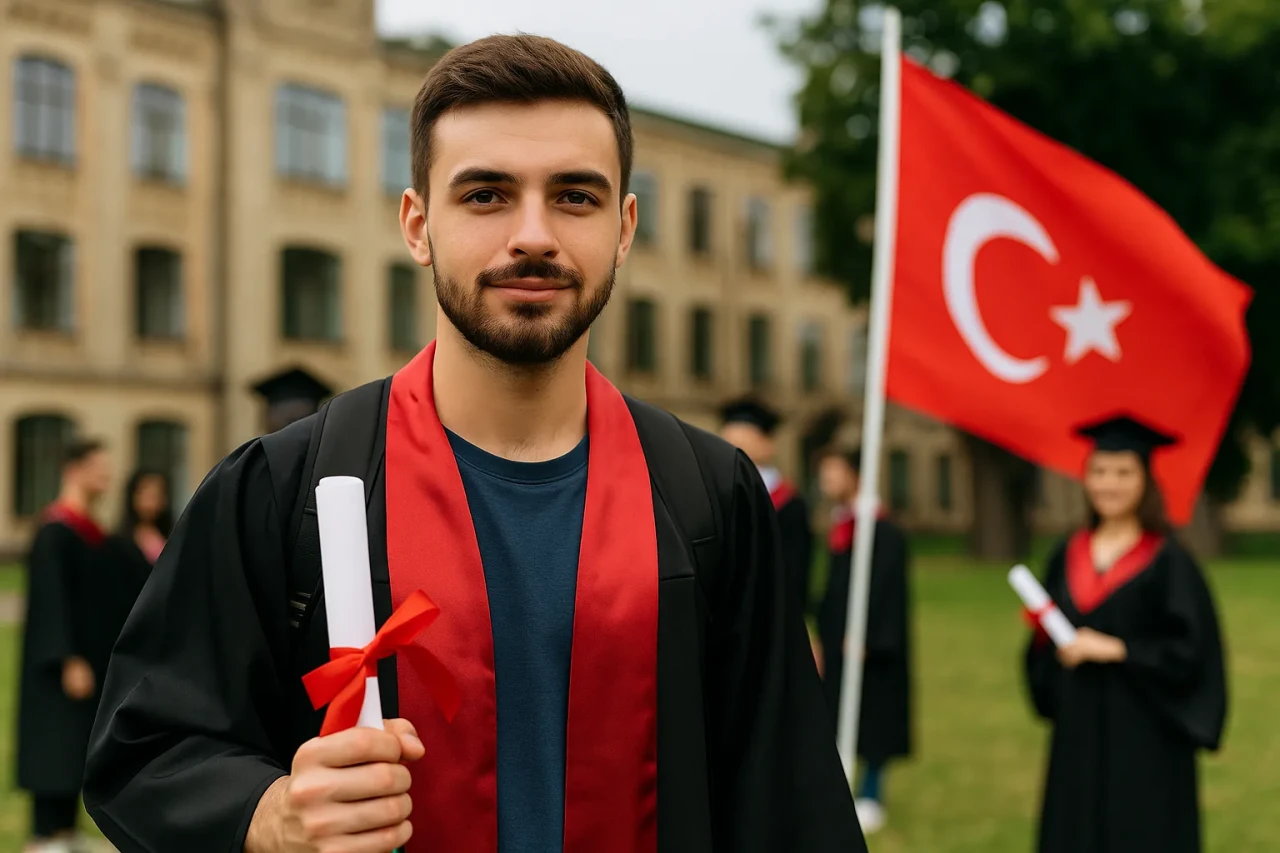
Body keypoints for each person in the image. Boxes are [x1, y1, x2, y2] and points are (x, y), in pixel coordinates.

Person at [84, 34, 865, 853]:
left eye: (575, 196)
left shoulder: (709, 498)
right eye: (486, 195)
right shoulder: (284, 490)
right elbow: (148, 749)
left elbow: (788, 805)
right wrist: (269, 813)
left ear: (625, 228)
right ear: (418, 225)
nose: (533, 235)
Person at [1023, 415, 1228, 853]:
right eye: (1099, 471)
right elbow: (1040, 657)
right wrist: (1046, 641)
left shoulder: (1168, 561)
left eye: (1123, 473)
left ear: (1145, 480)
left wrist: (1118, 649)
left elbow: (1192, 653)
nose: (1109, 484)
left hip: (1146, 734)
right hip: (1079, 729)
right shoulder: (1067, 553)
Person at [16, 439, 113, 853]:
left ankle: (65, 832)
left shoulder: (89, 531)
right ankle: (44, 835)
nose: (106, 475)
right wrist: (67, 658)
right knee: (53, 743)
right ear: (73, 470)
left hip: (88, 658)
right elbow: (50, 601)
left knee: (74, 744)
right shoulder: (54, 530)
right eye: (98, 467)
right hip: (60, 665)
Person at [814, 447, 912, 835]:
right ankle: (840, 789)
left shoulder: (881, 531)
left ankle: (871, 793)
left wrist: (870, 638)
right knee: (836, 713)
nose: (826, 482)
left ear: (855, 475)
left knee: (874, 717)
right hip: (838, 641)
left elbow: (888, 591)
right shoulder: (842, 524)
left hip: (871, 645)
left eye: (833, 473)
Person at [718, 396, 815, 614]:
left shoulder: (789, 505)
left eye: (744, 441)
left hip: (768, 611)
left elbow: (795, 574)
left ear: (767, 444)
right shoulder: (714, 495)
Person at [101, 470, 173, 628]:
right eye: (146, 493)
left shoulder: (171, 537)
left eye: (158, 494)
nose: (152, 500)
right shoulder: (119, 542)